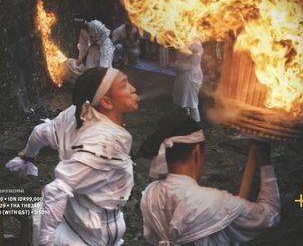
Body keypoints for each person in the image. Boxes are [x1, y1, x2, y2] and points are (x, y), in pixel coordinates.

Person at [140, 114, 280, 245]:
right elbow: (270, 215)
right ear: (196, 152)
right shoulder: (216, 203)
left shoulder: (150, 194)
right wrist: (265, 159)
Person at [36, 66, 138, 245]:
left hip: (73, 219)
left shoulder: (75, 112)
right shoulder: (104, 145)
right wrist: (46, 240)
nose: (133, 89)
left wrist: (26, 155)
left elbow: (40, 132)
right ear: (106, 102)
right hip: (89, 234)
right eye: (124, 85)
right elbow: (56, 191)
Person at [172, 41, 204, 122]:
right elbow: (180, 57)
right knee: (184, 99)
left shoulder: (196, 47)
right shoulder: (183, 40)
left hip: (190, 79)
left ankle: (196, 122)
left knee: (191, 101)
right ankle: (187, 117)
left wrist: (177, 65)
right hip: (183, 78)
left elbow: (187, 65)